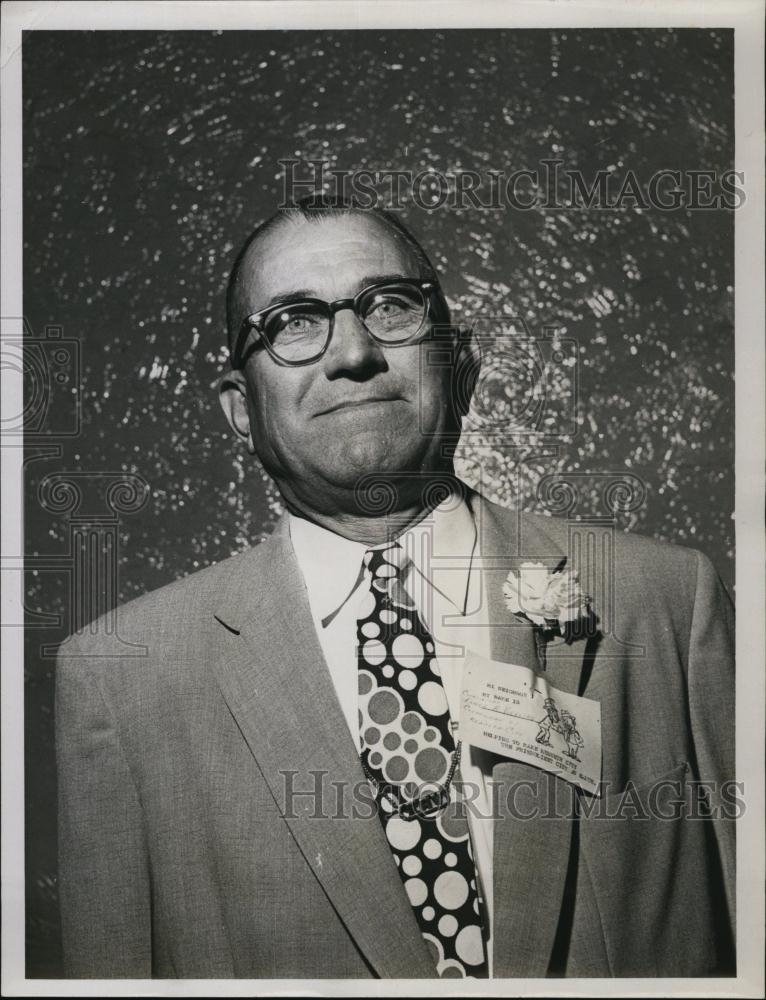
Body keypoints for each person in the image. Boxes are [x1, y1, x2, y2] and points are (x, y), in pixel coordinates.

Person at [56, 198, 736, 980]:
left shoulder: (667, 604)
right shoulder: (122, 682)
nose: (352, 352)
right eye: (294, 322)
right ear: (241, 410)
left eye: (391, 306)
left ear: (463, 362)